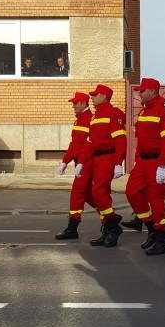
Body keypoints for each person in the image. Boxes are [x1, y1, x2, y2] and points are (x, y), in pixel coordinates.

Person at [123, 78, 165, 255]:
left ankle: (161, 240)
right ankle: (152, 228)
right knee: (132, 192)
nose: (139, 93)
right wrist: (137, 159)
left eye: (142, 91)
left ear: (152, 91)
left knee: (156, 200)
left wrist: (162, 165)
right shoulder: (144, 111)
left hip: (156, 161)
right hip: (143, 161)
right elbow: (141, 140)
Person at [76, 84, 127, 247]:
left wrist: (119, 162)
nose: (92, 97)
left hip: (108, 157)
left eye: (95, 95)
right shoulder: (95, 116)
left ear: (104, 96)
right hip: (96, 159)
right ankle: (108, 229)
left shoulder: (113, 113)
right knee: (101, 193)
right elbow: (90, 142)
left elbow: (120, 139)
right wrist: (82, 162)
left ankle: (112, 223)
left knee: (98, 191)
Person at [55, 92, 94, 240]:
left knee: (77, 193)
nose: (73, 106)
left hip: (87, 162)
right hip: (81, 162)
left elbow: (88, 145)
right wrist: (65, 161)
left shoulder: (90, 119)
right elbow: (74, 145)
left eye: (75, 103)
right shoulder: (78, 121)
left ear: (84, 103)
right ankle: (110, 218)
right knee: (89, 194)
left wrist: (82, 163)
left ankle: (72, 228)